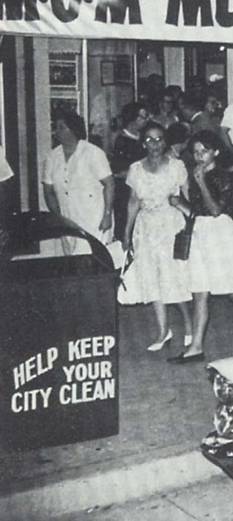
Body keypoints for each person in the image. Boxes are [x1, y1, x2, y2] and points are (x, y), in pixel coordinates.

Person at [168, 131, 233, 363]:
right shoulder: (195, 175)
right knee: (199, 291)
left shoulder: (223, 176)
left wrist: (201, 183)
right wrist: (179, 204)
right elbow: (197, 211)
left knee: (232, 289)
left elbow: (216, 210)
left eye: (204, 151)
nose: (199, 156)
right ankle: (196, 347)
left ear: (215, 152)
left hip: (220, 232)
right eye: (196, 152)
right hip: (200, 231)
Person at [121, 122, 193, 351]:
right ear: (143, 143)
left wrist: (191, 222)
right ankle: (163, 331)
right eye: (150, 139)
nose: (155, 144)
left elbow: (189, 197)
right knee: (150, 277)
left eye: (159, 139)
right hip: (146, 228)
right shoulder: (135, 169)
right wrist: (126, 233)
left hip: (171, 225)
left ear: (165, 142)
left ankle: (189, 325)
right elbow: (133, 202)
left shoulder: (177, 166)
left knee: (173, 278)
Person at [43, 111, 115, 254]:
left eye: (61, 127)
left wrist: (107, 215)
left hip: (94, 218)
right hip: (68, 219)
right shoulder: (52, 157)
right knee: (72, 258)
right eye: (55, 127)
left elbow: (109, 184)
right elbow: (48, 190)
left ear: (73, 129)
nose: (56, 132)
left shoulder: (92, 153)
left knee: (93, 257)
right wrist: (58, 217)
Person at [111, 102, 149, 241]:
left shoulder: (142, 137)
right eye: (143, 117)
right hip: (126, 191)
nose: (146, 120)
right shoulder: (122, 141)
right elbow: (118, 171)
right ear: (133, 119)